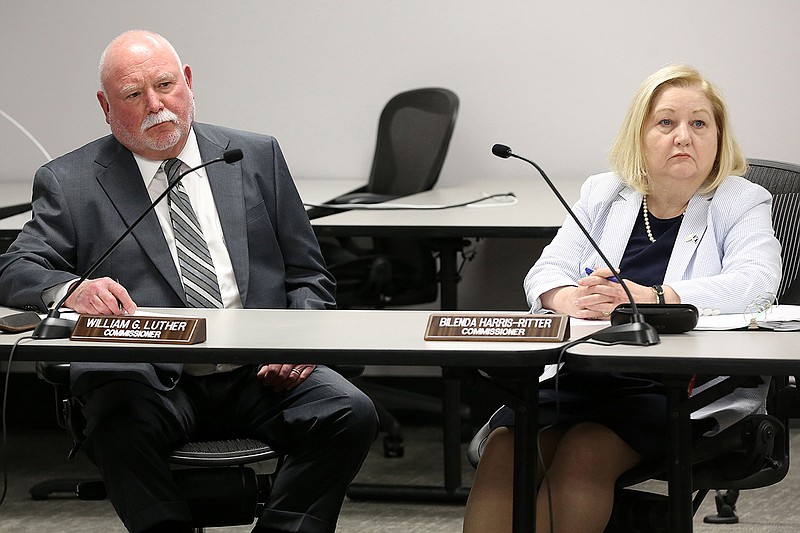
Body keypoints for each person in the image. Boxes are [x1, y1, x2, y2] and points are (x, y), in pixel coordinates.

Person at [0, 30, 378, 533]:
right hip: (146, 379)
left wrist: (299, 337)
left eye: (166, 85)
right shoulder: (70, 181)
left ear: (189, 81)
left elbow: (309, 275)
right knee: (115, 423)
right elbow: (17, 267)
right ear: (105, 106)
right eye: (134, 95)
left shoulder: (253, 156)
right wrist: (71, 290)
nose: (157, 105)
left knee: (351, 412)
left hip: (259, 371)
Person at [462, 64, 782, 533]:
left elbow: (757, 286)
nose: (683, 137)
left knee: (584, 452)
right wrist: (569, 298)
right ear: (640, 134)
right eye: (666, 122)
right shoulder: (605, 192)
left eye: (699, 123)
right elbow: (545, 272)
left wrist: (652, 296)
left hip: (677, 381)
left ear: (718, 136)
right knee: (507, 449)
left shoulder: (738, 200)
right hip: (586, 373)